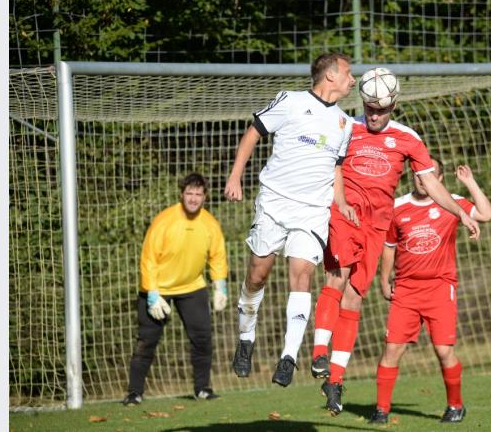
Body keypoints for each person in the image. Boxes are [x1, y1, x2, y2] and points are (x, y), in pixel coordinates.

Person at [310, 68, 481, 415]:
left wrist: (461, 213)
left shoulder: (408, 139)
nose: (374, 115)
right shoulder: (345, 126)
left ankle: (336, 380)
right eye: (369, 107)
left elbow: (431, 184)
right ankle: (318, 354)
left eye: (381, 109)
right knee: (338, 275)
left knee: (356, 296)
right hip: (345, 213)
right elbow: (319, 162)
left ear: (394, 106)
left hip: (377, 226)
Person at [224, 52, 358, 388]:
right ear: (330, 75)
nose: (353, 80)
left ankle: (288, 356)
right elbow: (254, 131)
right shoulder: (291, 101)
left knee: (302, 276)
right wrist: (235, 176)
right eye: (348, 73)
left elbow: (337, 169)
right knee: (258, 274)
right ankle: (246, 337)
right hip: (274, 203)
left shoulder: (345, 123)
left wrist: (339, 201)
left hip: (312, 211)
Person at [368, 160, 491, 424]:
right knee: (391, 350)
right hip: (405, 290)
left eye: (428, 176)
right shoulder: (398, 207)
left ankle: (455, 406)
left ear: (438, 178)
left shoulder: (451, 203)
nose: (422, 180)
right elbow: (389, 246)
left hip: (440, 288)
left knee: (443, 351)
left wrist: (470, 182)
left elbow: (487, 214)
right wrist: (383, 279)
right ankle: (381, 411)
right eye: (418, 175)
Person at [123, 173, 229, 406]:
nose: (193, 198)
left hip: (192, 287)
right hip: (158, 290)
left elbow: (217, 256)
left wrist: (220, 285)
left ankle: (202, 389)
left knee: (202, 339)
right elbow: (148, 259)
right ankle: (134, 393)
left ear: (205, 197)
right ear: (181, 194)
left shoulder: (210, 223)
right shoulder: (164, 221)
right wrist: (151, 293)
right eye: (189, 193)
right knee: (146, 341)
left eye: (198, 194)